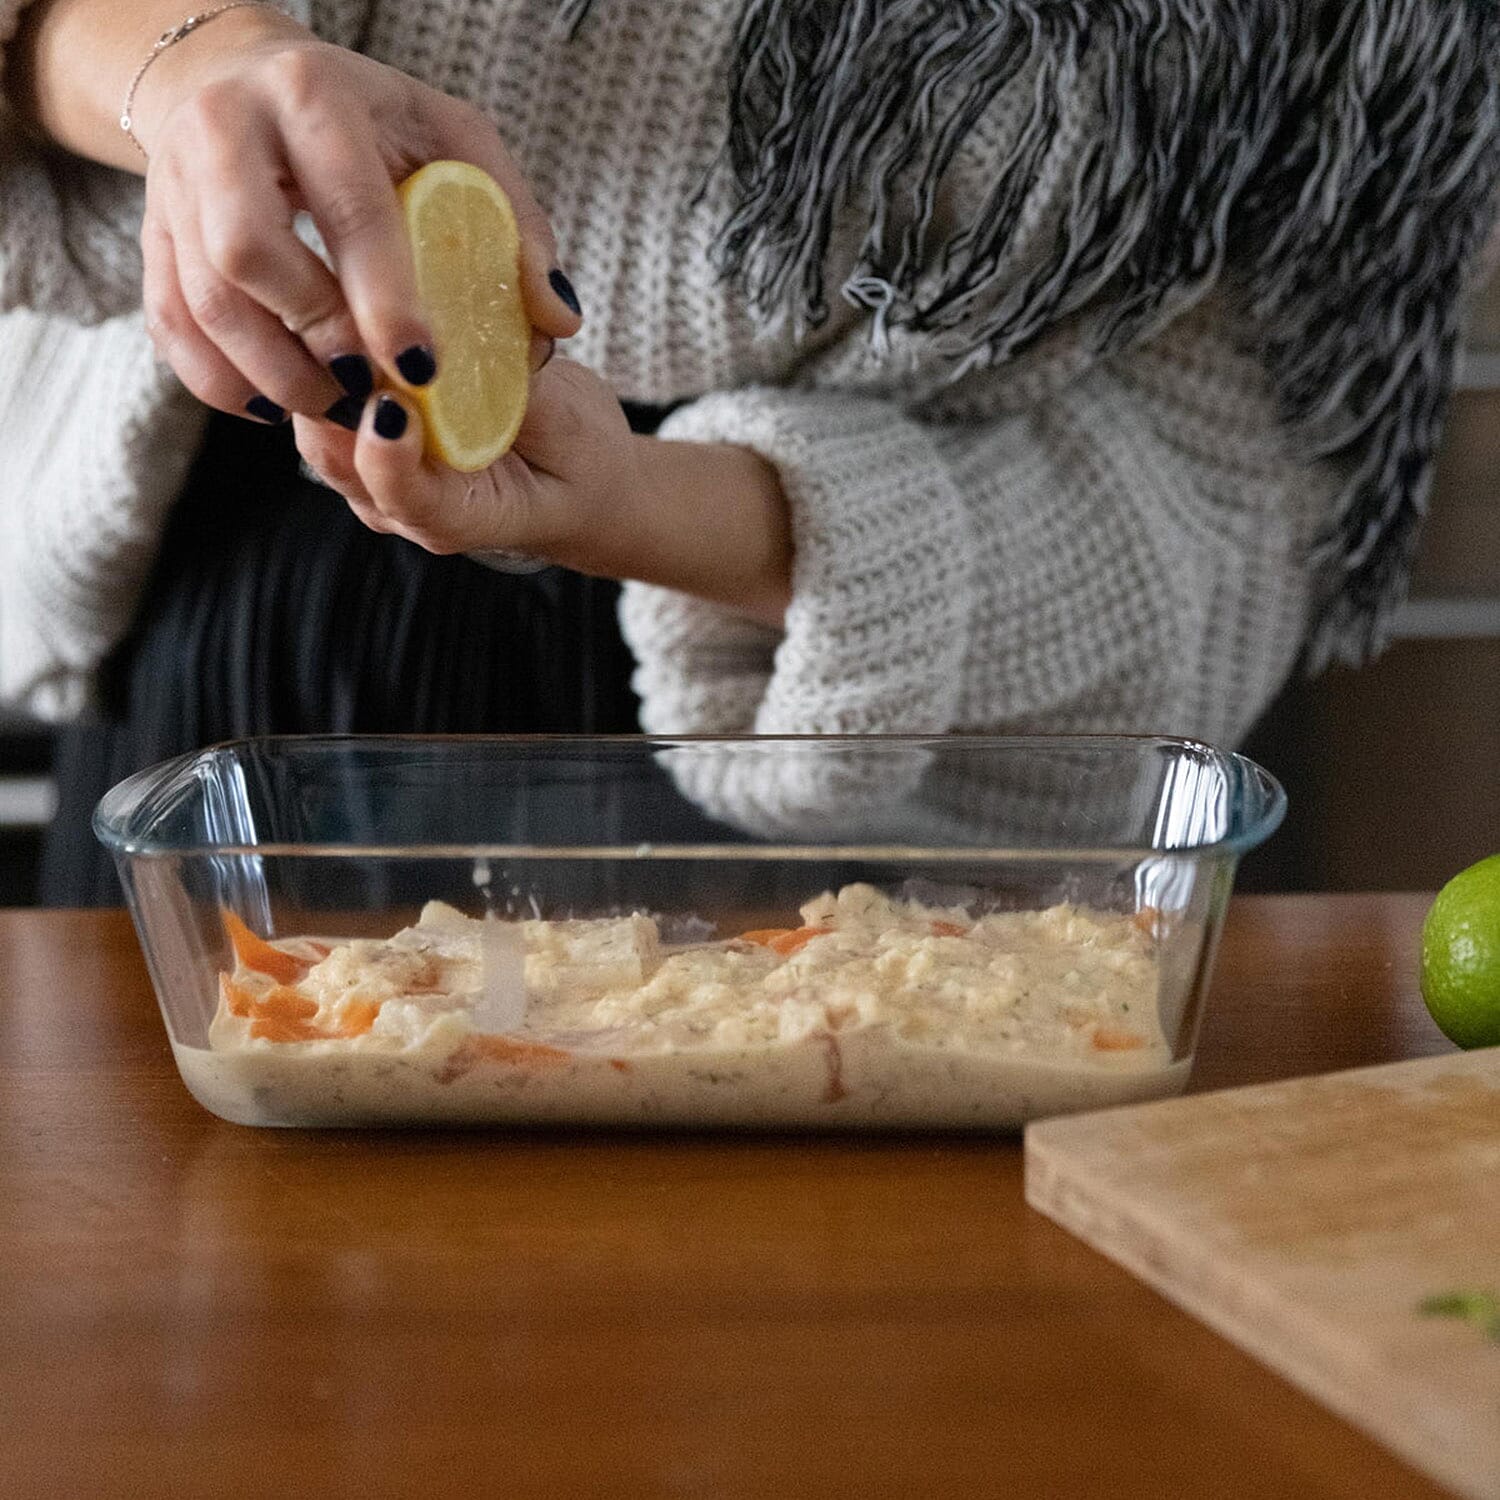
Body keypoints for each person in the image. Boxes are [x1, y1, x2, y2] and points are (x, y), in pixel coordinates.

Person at [2, 0, 1497, 903]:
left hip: (924, 760)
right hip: (258, 650)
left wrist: (657, 506)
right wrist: (189, 60)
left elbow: (1221, 504)